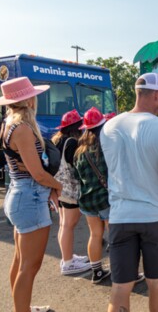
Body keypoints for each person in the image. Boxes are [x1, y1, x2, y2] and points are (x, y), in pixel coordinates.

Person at [101, 73, 158, 312]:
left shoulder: (109, 126)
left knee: (120, 286)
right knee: (157, 283)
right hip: (155, 218)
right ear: (157, 94)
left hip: (120, 216)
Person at [0, 77, 62, 312]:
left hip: (21, 194)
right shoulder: (21, 128)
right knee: (29, 266)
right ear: (28, 99)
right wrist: (57, 186)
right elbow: (38, 174)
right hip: (29, 197)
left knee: (21, 261)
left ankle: (22, 308)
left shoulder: (9, 123)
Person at [73, 107, 111, 284]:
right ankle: (124, 273)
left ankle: (97, 272)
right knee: (116, 237)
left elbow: (76, 177)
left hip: (87, 201)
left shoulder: (79, 151)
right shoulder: (105, 147)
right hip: (106, 199)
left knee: (95, 235)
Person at [51, 109, 90, 276]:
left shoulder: (56, 140)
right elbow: (76, 166)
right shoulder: (71, 143)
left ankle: (66, 257)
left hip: (59, 188)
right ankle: (68, 263)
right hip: (70, 190)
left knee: (63, 224)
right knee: (69, 225)